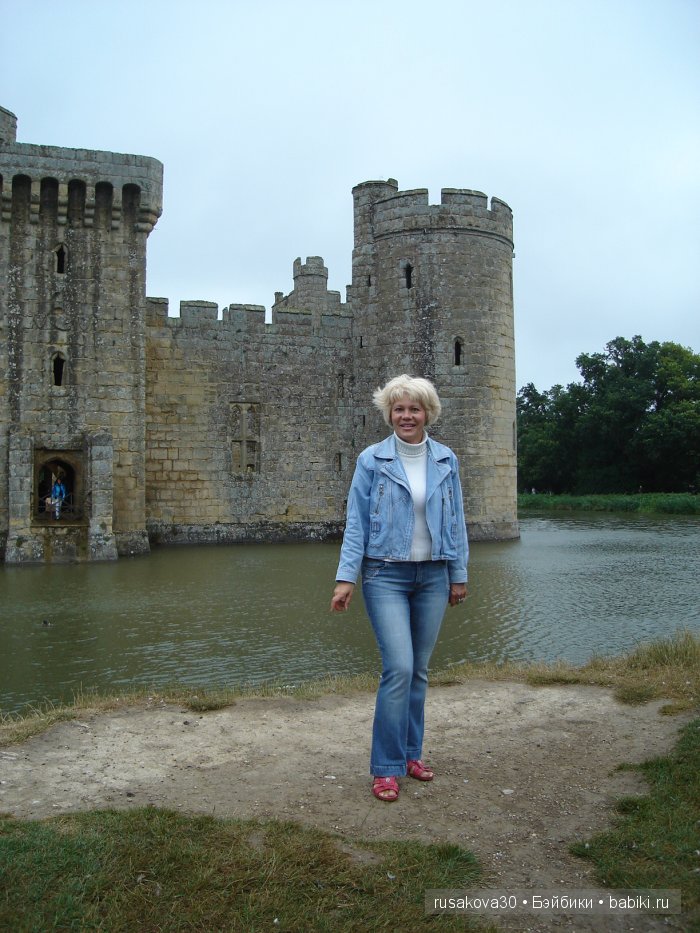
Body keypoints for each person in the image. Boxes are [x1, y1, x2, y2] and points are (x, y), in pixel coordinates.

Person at [330, 374, 469, 802]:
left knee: (420, 672)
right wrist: (345, 577)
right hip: (384, 575)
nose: (406, 416)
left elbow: (457, 521)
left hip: (433, 576)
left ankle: (411, 754)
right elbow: (356, 521)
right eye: (399, 408)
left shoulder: (446, 459)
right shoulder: (372, 460)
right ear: (388, 413)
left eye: (414, 408)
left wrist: (458, 573)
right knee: (400, 669)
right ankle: (386, 767)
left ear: (428, 413)